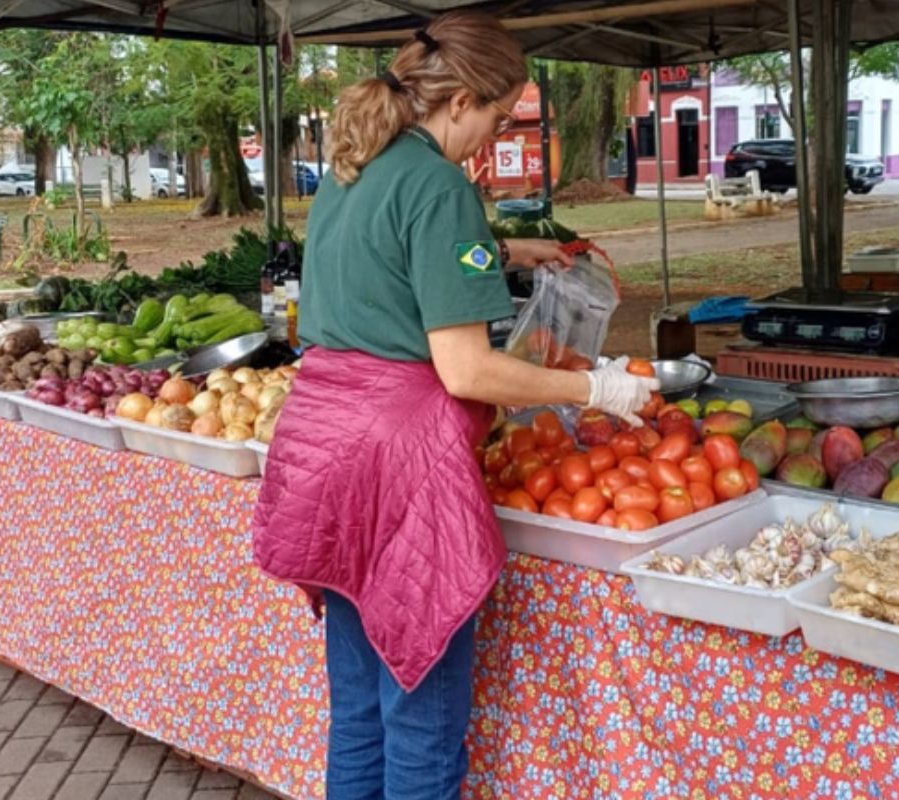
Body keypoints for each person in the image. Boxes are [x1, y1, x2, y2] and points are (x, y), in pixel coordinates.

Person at [252, 12, 660, 800]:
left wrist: (503, 248)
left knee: (360, 712)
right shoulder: (439, 184)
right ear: (463, 100)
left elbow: (392, 253)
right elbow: (467, 371)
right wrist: (595, 386)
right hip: (399, 465)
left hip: (323, 450)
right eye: (499, 119)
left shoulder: (354, 167)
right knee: (422, 727)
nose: (492, 137)